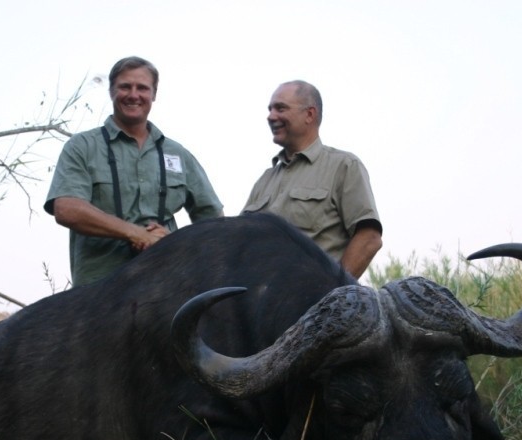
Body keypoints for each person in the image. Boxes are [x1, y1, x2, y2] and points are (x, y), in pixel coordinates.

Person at [45, 56, 224, 285]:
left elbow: (214, 223)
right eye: (125, 87)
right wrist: (136, 233)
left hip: (166, 288)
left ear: (154, 94)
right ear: (111, 91)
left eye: (142, 88)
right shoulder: (82, 146)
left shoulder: (178, 154)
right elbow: (67, 209)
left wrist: (176, 243)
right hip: (98, 294)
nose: (133, 95)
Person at [243, 80, 382, 278]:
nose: (271, 116)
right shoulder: (264, 181)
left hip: (312, 305)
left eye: (281, 108)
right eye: (270, 109)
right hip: (255, 302)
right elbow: (238, 241)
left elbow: (369, 238)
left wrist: (333, 295)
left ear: (309, 114)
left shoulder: (343, 166)